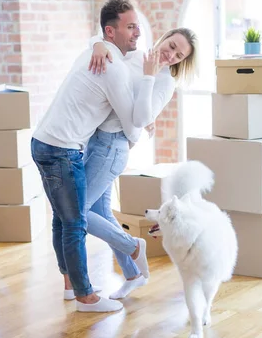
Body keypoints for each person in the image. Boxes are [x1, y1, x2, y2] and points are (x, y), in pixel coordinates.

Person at [31, 0, 163, 313]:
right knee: (75, 223)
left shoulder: (96, 52)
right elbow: (132, 120)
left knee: (64, 221)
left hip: (46, 141)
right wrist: (142, 130)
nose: (137, 33)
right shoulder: (112, 68)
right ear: (110, 31)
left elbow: (97, 42)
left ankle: (70, 286)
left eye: (138, 27)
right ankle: (85, 297)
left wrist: (96, 42)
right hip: (62, 150)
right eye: (131, 27)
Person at [80, 27, 198, 299]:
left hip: (112, 147)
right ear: (163, 38)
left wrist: (149, 76)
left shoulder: (165, 80)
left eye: (178, 55)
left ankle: (132, 245)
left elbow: (142, 116)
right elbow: (104, 44)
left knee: (78, 212)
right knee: (103, 213)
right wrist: (98, 45)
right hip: (96, 140)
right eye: (171, 46)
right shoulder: (135, 55)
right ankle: (133, 273)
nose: (171, 55)